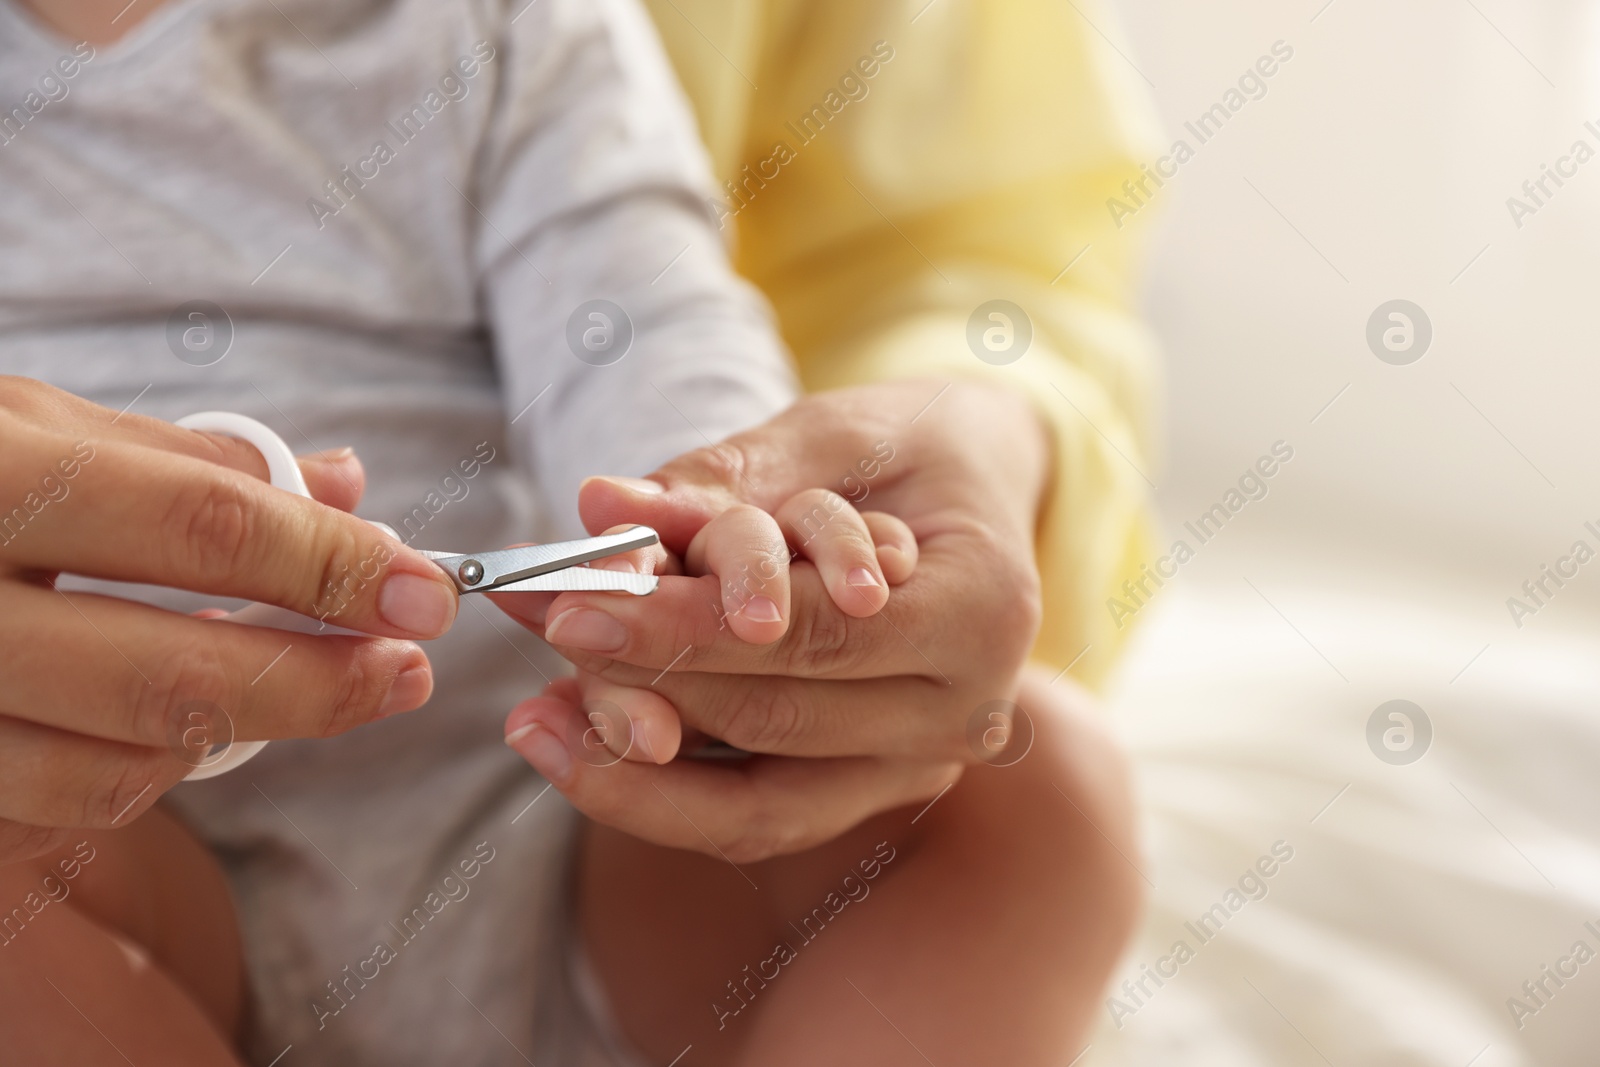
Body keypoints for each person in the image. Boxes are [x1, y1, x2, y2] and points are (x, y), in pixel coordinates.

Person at [0, 0, 1157, 1064]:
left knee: (1035, 788)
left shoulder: (504, 26)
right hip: (113, 863)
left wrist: (729, 551)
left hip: (549, 828)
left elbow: (648, 316)